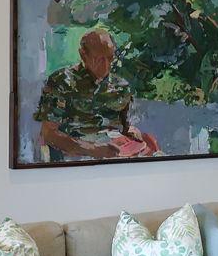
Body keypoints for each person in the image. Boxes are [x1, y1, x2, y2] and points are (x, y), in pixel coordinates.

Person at [33, 29, 158, 160]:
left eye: (110, 58)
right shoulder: (62, 81)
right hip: (75, 154)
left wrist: (135, 134)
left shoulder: (120, 86)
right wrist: (93, 150)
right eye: (99, 59)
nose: (106, 66)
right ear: (83, 55)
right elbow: (49, 134)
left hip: (115, 152)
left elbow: (125, 127)